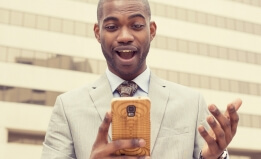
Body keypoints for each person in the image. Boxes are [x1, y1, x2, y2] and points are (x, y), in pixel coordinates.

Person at [41, 0, 242, 158]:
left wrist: (214, 157)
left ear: (151, 30)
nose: (125, 36)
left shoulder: (192, 103)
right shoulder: (67, 107)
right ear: (97, 32)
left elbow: (209, 153)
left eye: (136, 25)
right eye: (112, 27)